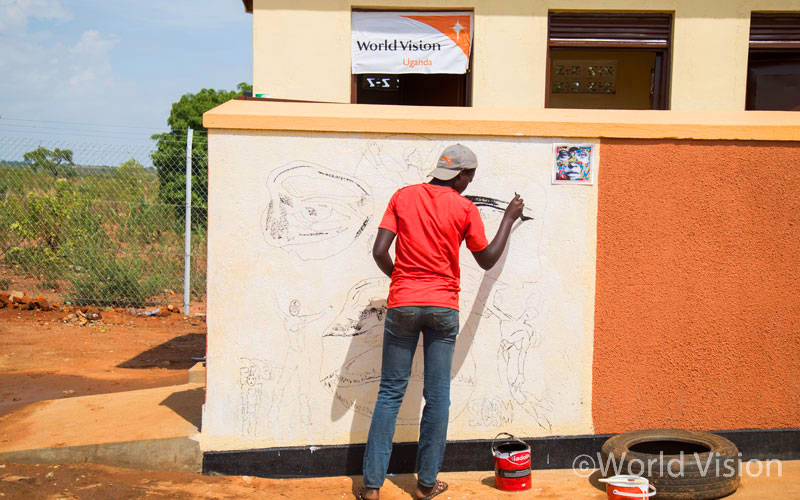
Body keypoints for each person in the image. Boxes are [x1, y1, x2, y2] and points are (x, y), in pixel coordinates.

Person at [359, 144, 525, 500]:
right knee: (437, 398)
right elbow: (487, 259)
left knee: (390, 393)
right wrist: (509, 218)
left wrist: (401, 282)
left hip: (402, 304)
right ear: (462, 175)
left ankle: (371, 489)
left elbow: (378, 251)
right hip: (442, 308)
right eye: (470, 177)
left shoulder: (402, 197)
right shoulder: (464, 207)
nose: (468, 184)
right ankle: (425, 485)